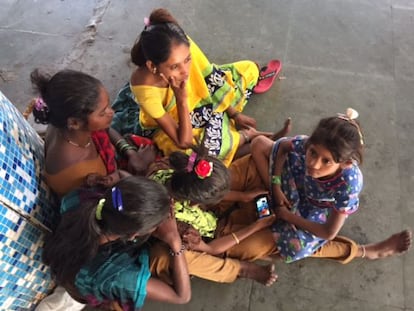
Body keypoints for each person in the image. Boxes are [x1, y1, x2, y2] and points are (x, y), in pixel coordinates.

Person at [249, 108, 412, 263]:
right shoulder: (313, 145)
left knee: (295, 248)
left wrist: (288, 216)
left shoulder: (349, 183)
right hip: (298, 181)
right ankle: (271, 198)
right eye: (312, 152)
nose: (313, 164)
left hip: (315, 208)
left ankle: (365, 251)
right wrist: (276, 186)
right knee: (258, 144)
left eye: (326, 161)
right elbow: (284, 147)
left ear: (346, 163)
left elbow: (328, 232)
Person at [129, 8, 279, 167]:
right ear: (152, 66)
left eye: (187, 60)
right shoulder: (144, 88)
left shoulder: (182, 44)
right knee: (192, 154)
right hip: (172, 124)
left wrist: (234, 114)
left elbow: (208, 80)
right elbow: (183, 141)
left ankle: (232, 134)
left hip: (201, 101)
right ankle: (245, 136)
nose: (185, 71)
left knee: (248, 69)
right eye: (174, 67)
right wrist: (181, 99)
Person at [41, 176, 191, 310]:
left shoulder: (80, 198)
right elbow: (182, 297)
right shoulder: (117, 276)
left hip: (74, 261)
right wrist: (175, 241)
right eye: (157, 224)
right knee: (162, 257)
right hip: (85, 281)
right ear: (133, 235)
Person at [147, 145, 278, 286]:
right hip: (206, 239)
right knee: (168, 257)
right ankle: (241, 269)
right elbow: (211, 248)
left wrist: (242, 196)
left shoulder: (172, 170)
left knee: (250, 172)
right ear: (194, 203)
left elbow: (202, 187)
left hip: (206, 215)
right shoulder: (175, 223)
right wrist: (255, 227)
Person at [30, 68, 156, 197]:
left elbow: (106, 129)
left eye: (107, 106)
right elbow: (111, 202)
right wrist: (141, 172)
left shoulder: (64, 123)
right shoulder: (74, 173)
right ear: (74, 123)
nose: (111, 112)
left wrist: (131, 153)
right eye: (102, 112)